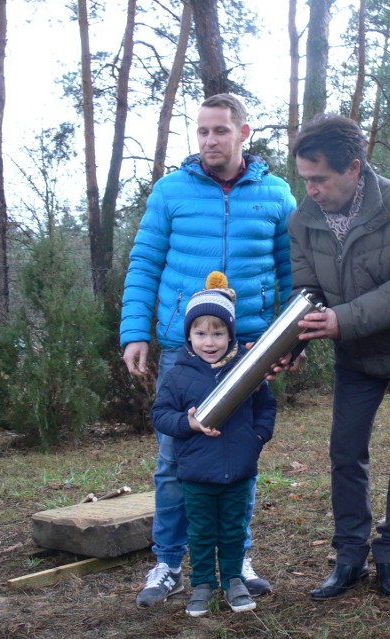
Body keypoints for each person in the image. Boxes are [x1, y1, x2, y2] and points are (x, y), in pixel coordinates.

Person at [120, 93, 296, 607]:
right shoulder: (170, 192)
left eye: (220, 130)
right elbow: (144, 263)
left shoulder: (276, 194)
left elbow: (292, 274)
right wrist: (136, 331)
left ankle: (235, 557)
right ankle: (169, 563)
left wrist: (292, 342)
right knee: (176, 459)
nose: (209, 140)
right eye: (201, 131)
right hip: (184, 349)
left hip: (251, 350)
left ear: (244, 133)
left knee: (238, 455)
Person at [287, 113, 390, 599]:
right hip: (354, 358)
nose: (310, 189)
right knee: (345, 453)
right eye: (304, 179)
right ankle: (350, 555)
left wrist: (341, 320)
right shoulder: (302, 220)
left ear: (354, 168)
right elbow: (306, 289)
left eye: (319, 178)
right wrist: (294, 338)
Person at [151, 273, 276, 617]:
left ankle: (234, 579)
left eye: (218, 333)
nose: (210, 341)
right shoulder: (178, 374)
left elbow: (266, 406)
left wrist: (258, 437)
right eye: (201, 333)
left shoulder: (246, 370)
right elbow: (161, 415)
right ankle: (202, 584)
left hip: (239, 469)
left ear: (230, 333)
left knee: (234, 529)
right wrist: (187, 423)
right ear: (188, 335)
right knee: (202, 532)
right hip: (196, 472)